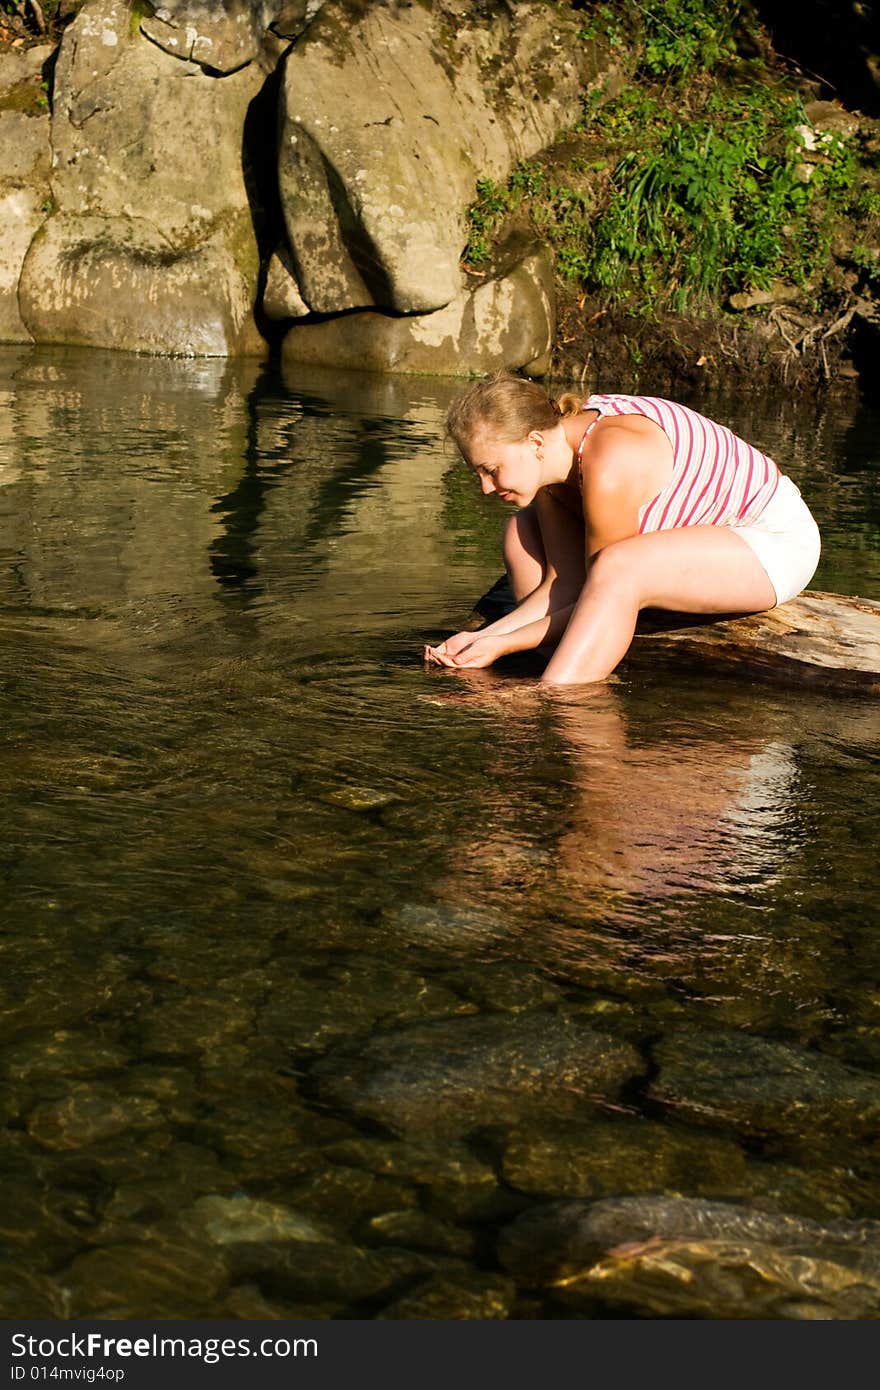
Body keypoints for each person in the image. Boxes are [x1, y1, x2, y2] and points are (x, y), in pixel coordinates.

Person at [424, 374, 821, 685]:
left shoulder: (610, 461)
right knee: (521, 533)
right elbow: (564, 585)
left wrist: (503, 642)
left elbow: (605, 583)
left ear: (534, 442)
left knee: (618, 566)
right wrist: (481, 639)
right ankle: (572, 668)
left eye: (491, 470)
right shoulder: (553, 465)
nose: (485, 488)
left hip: (771, 542)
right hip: (690, 550)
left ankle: (558, 704)